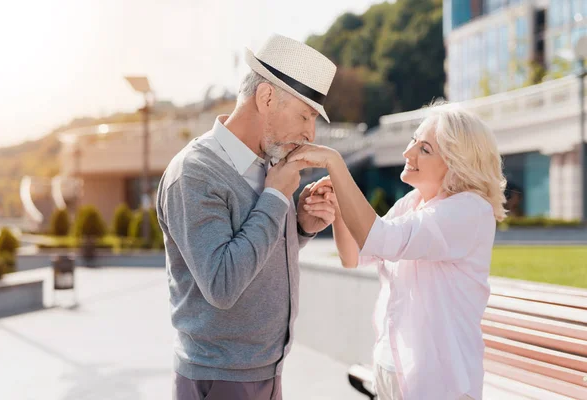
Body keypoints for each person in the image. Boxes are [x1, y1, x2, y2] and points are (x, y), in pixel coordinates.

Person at [155, 34, 337, 400]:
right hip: (220, 379)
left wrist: (300, 226)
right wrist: (274, 197)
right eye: (305, 115)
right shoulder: (194, 173)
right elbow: (223, 284)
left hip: (266, 371)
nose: (310, 133)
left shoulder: (267, 163)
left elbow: (252, 254)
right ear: (267, 97)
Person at [288, 102, 507, 400]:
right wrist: (340, 210)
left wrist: (335, 164)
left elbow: (380, 238)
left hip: (439, 384)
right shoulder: (412, 203)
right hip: (392, 371)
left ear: (457, 163)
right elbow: (354, 256)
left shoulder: (468, 211)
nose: (408, 153)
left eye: (425, 149)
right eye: (413, 141)